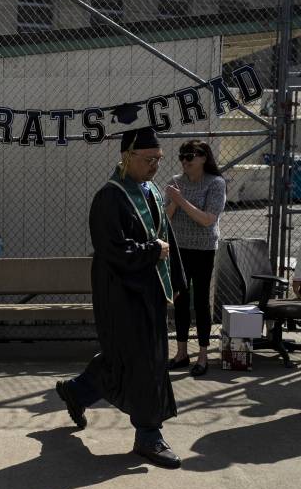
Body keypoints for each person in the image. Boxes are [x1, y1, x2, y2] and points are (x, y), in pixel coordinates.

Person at [55, 127, 186, 469]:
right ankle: (148, 437)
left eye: (158, 159)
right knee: (144, 364)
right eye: (148, 159)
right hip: (121, 295)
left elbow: (164, 237)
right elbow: (112, 249)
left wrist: (176, 278)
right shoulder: (110, 197)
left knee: (127, 360)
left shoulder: (151, 191)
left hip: (149, 292)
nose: (155, 165)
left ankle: (78, 391)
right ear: (127, 157)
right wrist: (151, 251)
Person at [164, 140, 227, 377]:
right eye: (182, 156)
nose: (185, 161)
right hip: (179, 248)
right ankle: (181, 353)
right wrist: (172, 201)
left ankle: (202, 355)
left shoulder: (216, 183)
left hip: (203, 249)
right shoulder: (175, 181)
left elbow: (207, 219)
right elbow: (165, 218)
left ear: (203, 157)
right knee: (180, 298)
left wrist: (180, 200)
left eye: (190, 156)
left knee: (201, 300)